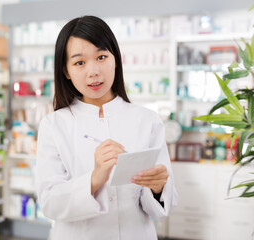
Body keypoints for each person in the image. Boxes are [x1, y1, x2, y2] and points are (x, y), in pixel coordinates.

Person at [35, 15, 178, 240]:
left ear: (116, 59)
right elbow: (50, 203)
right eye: (79, 62)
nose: (93, 71)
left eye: (101, 57)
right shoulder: (54, 125)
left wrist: (158, 188)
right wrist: (95, 177)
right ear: (66, 70)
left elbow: (161, 207)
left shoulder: (147, 121)